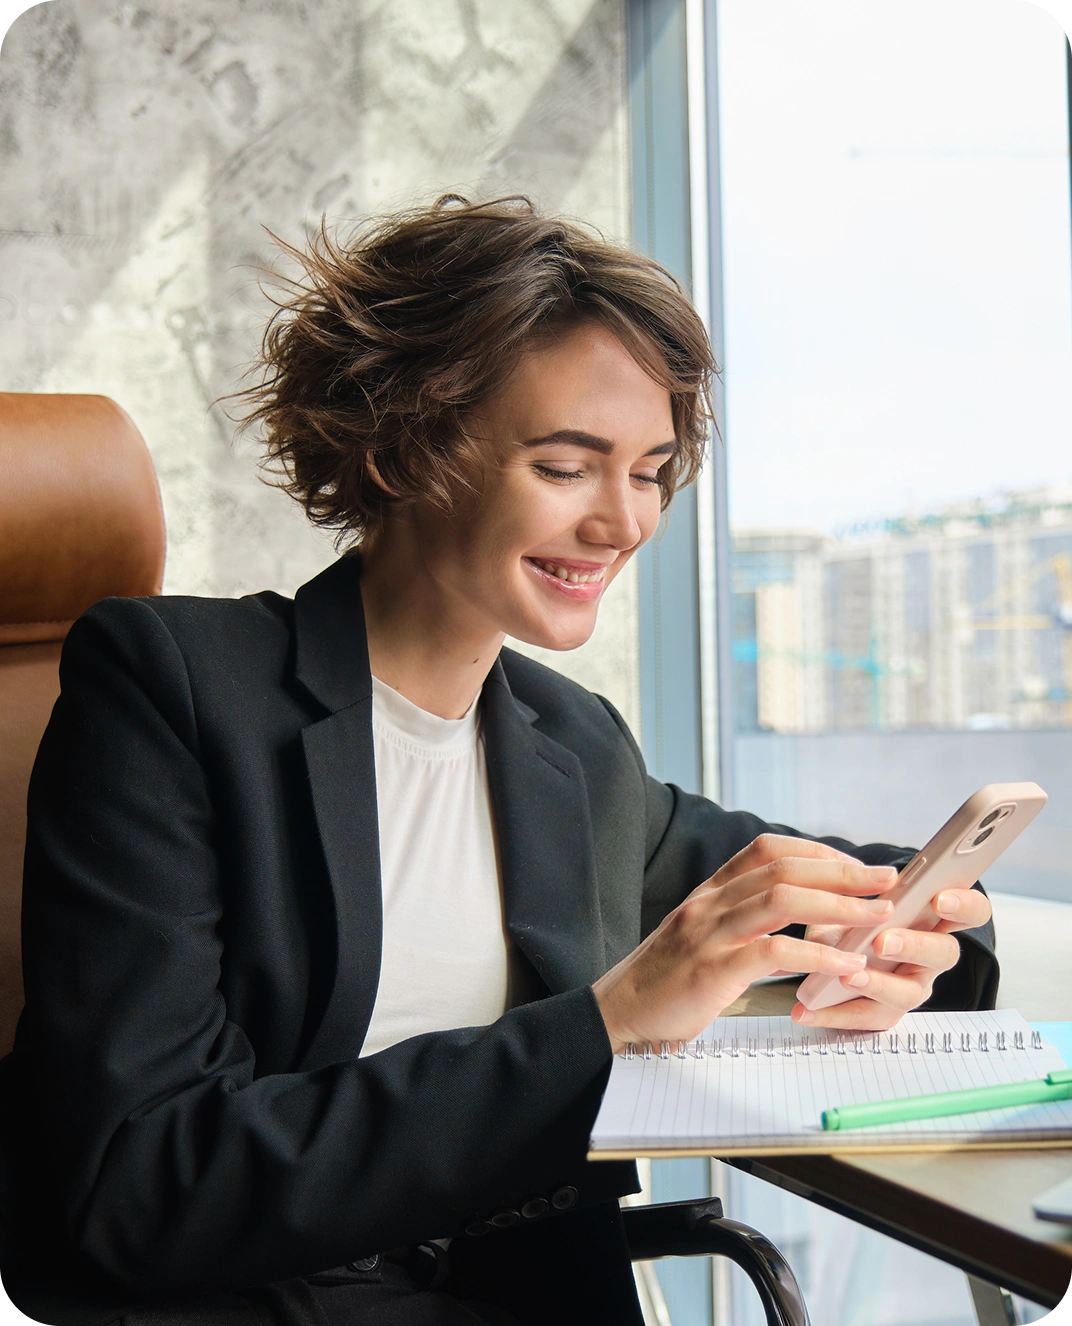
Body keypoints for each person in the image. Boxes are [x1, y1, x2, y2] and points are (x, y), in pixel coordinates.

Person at [1, 197, 996, 1326]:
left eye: (652, 472)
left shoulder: (569, 747)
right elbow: (150, 1182)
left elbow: (792, 879)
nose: (622, 523)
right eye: (569, 466)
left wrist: (910, 931)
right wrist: (609, 1018)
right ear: (402, 446)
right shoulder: (173, 688)